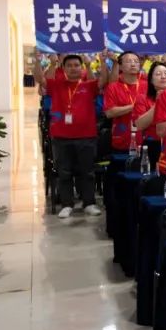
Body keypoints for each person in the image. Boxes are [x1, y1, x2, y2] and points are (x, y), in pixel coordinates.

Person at [33, 51, 108, 218]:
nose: (73, 68)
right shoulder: (56, 84)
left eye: (76, 65)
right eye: (69, 66)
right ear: (64, 68)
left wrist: (100, 62)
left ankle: (89, 203)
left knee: (87, 172)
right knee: (64, 172)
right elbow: (39, 79)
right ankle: (67, 204)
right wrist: (39, 61)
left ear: (81, 68)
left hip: (86, 136)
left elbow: (104, 80)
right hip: (61, 136)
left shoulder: (88, 85)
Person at [103, 51, 148, 151]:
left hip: (145, 139)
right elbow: (109, 112)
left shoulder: (148, 85)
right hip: (121, 138)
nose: (133, 64)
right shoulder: (113, 87)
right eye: (128, 61)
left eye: (136, 61)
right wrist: (135, 106)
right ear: (120, 66)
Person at [133, 61, 166, 165]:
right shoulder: (143, 98)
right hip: (152, 145)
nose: (163, 76)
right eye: (158, 74)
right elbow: (139, 125)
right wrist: (159, 103)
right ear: (151, 79)